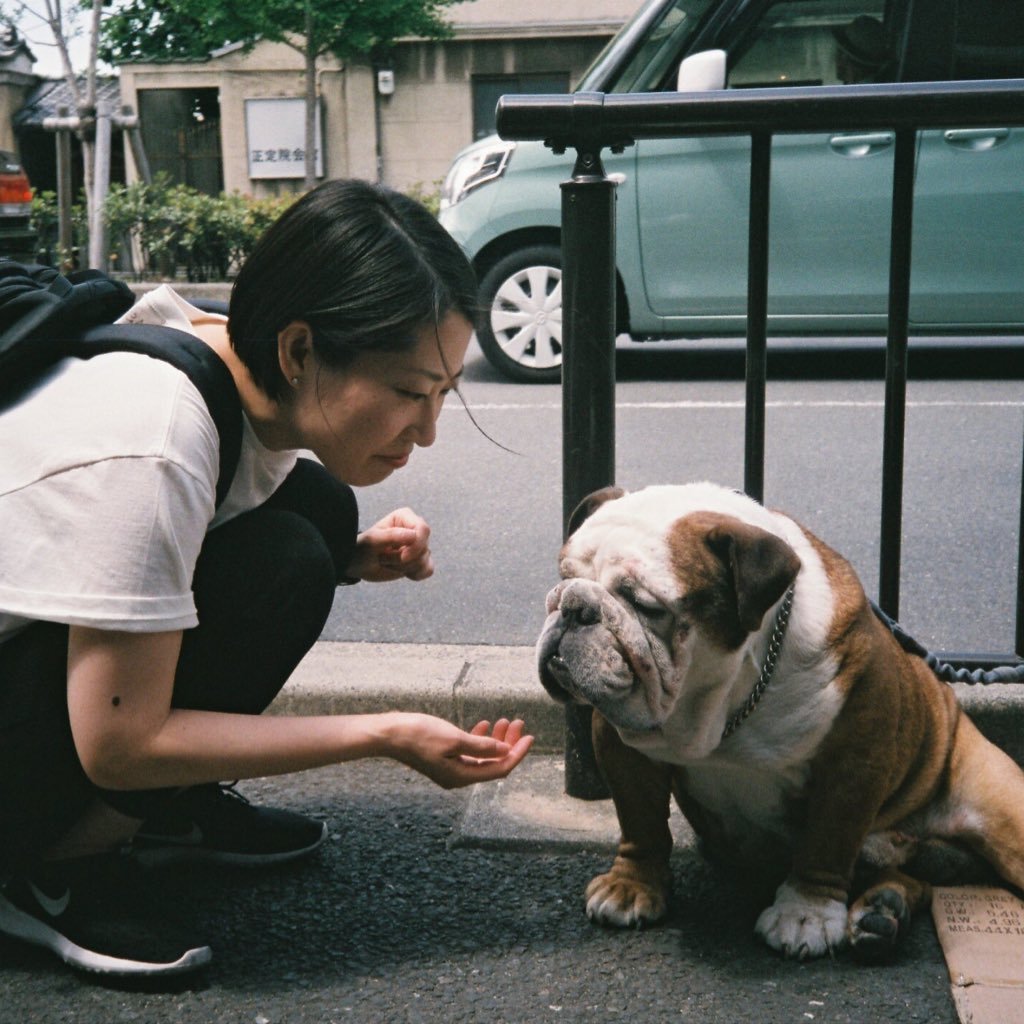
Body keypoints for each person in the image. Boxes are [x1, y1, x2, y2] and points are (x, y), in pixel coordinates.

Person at [0, 179, 534, 980]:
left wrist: (353, 557)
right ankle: (47, 874)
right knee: (285, 555)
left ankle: (161, 819)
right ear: (297, 350)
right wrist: (383, 732)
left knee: (317, 513)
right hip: (72, 728)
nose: (425, 431)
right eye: (408, 393)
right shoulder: (157, 439)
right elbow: (121, 742)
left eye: (442, 395)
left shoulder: (227, 363)